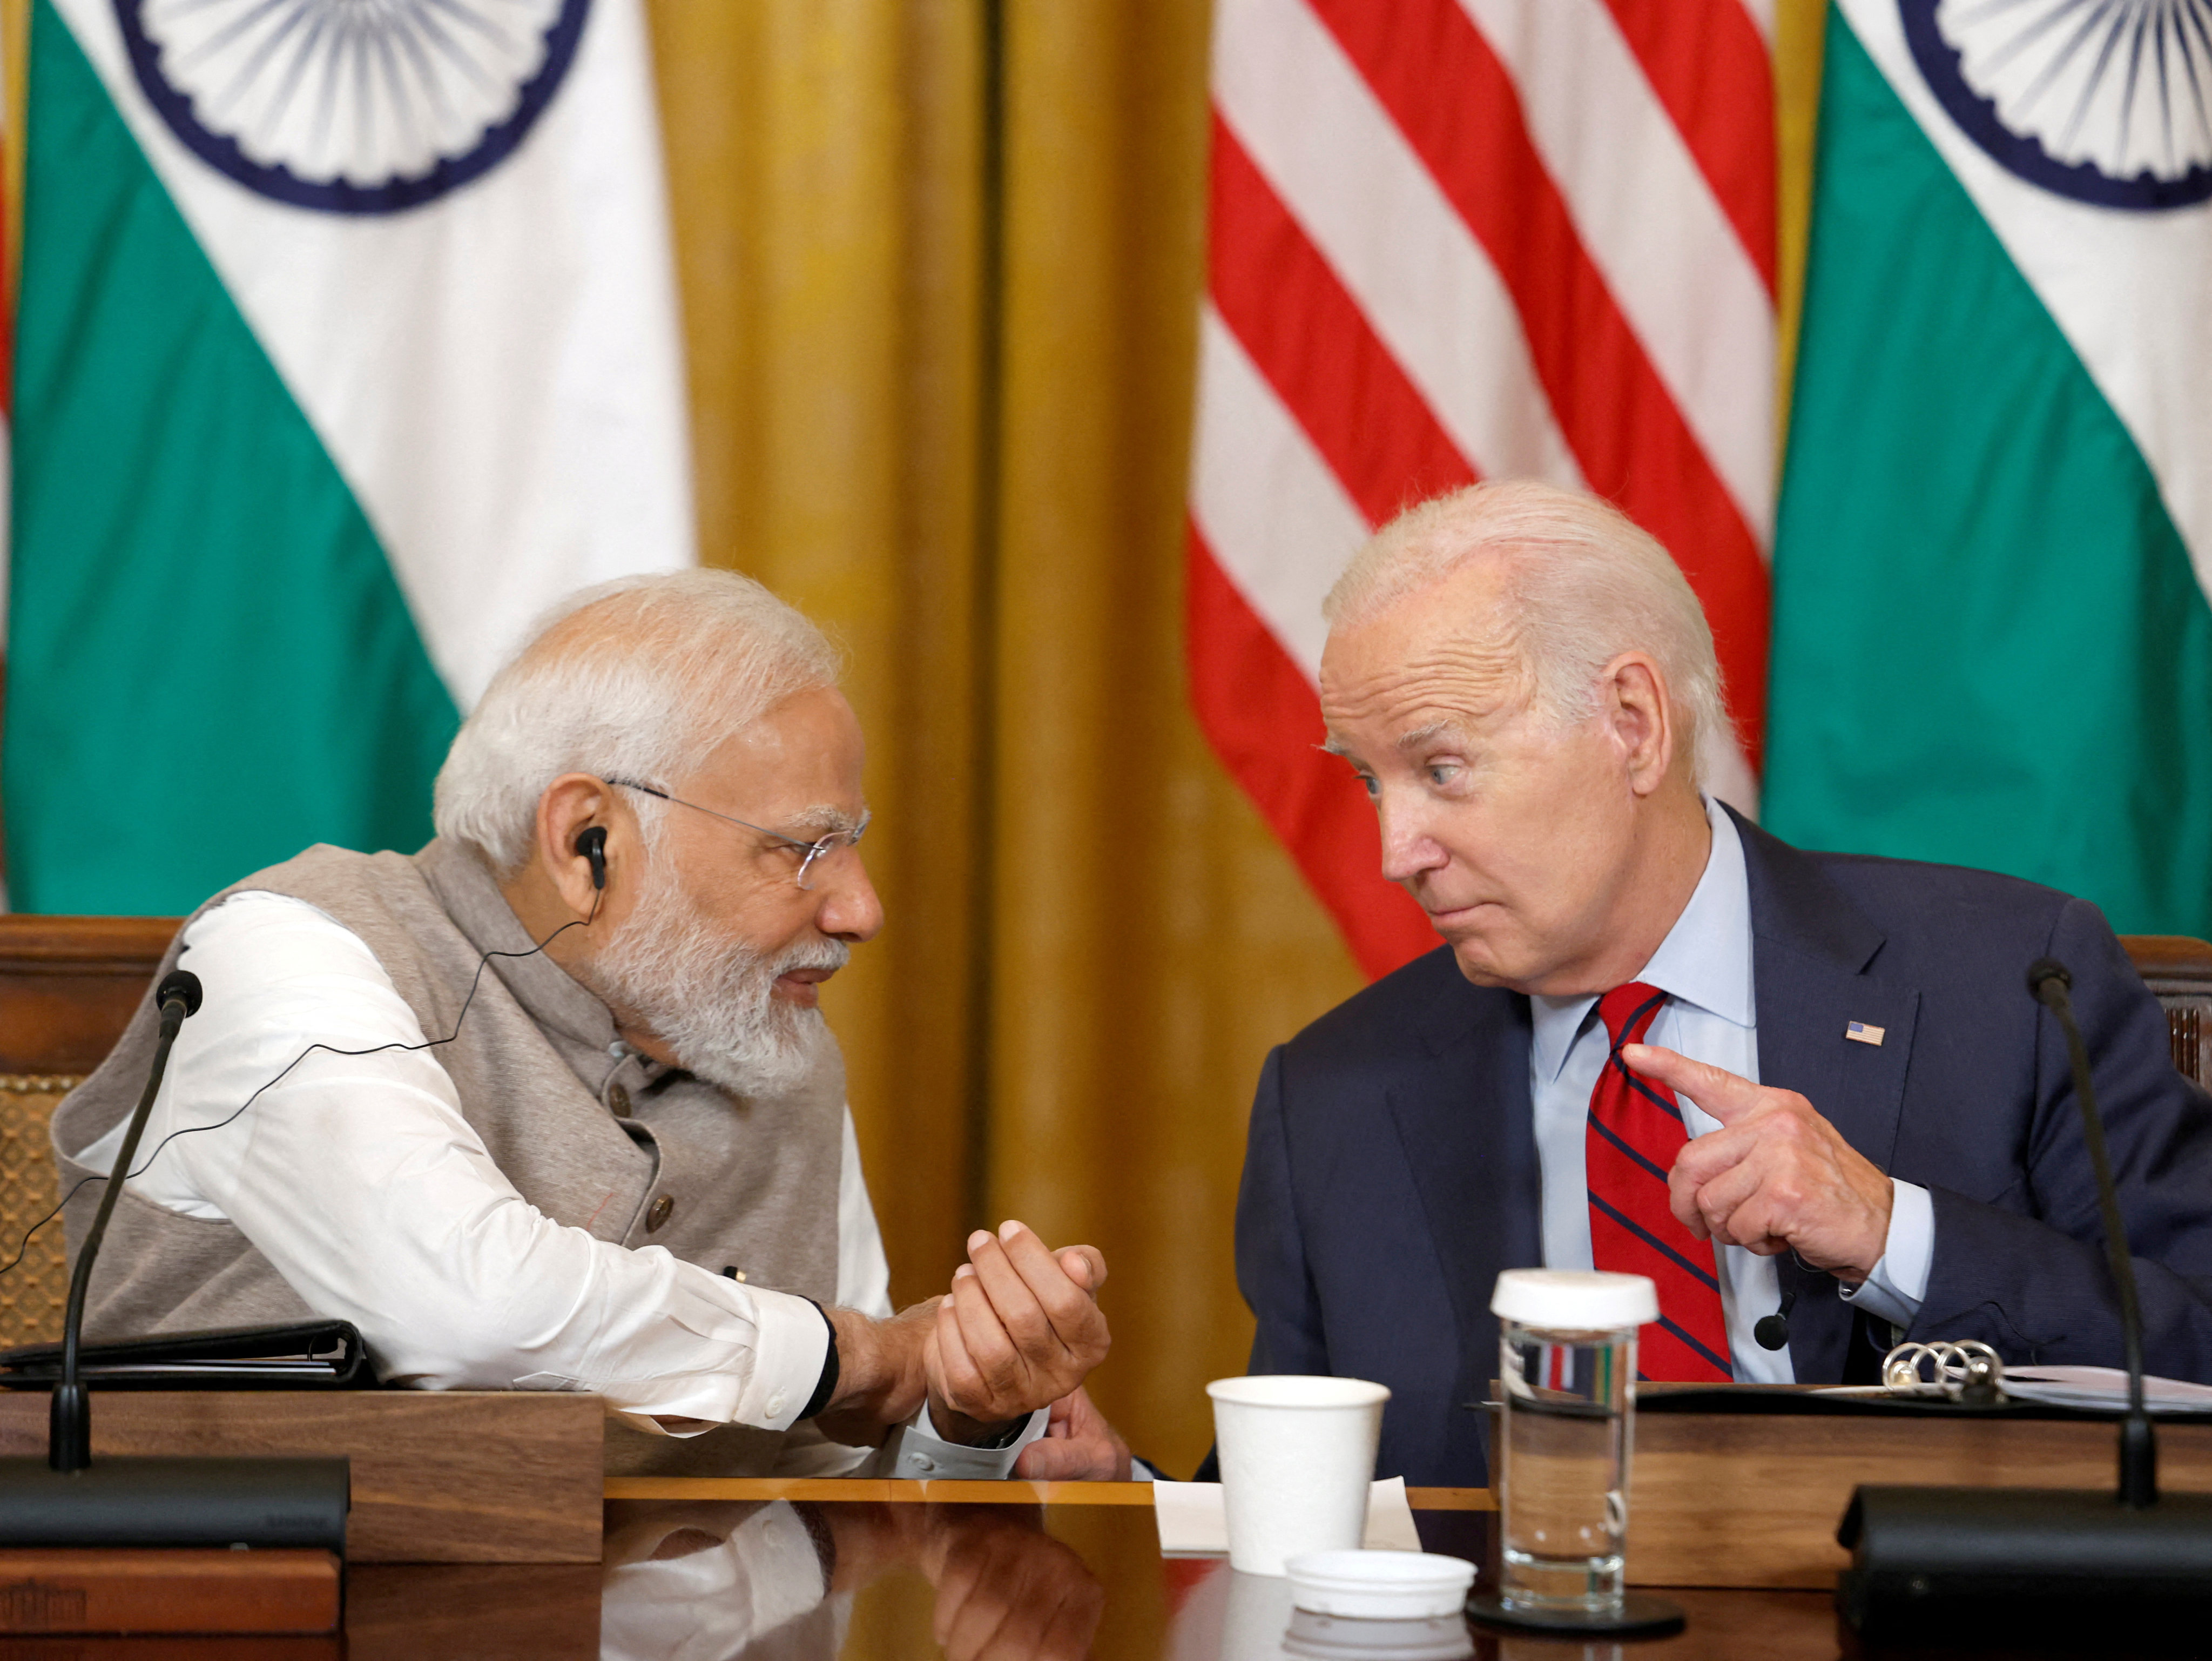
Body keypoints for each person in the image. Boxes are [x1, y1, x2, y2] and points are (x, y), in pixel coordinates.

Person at [1232, 480, 2212, 1485]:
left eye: (1440, 769)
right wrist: (1091, 1470)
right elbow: (1286, 1500)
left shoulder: (2012, 985)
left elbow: (2198, 1341)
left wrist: (1891, 1235)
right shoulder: (1336, 1094)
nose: (1397, 852)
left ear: (1632, 723)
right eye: (1368, 780)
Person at [51, 571, 1128, 1480]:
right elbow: (470, 1311)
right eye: (804, 849)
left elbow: (834, 1464)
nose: (860, 907)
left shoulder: (770, 1035)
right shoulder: (289, 947)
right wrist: (865, 1355)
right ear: (586, 838)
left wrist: (967, 1413)